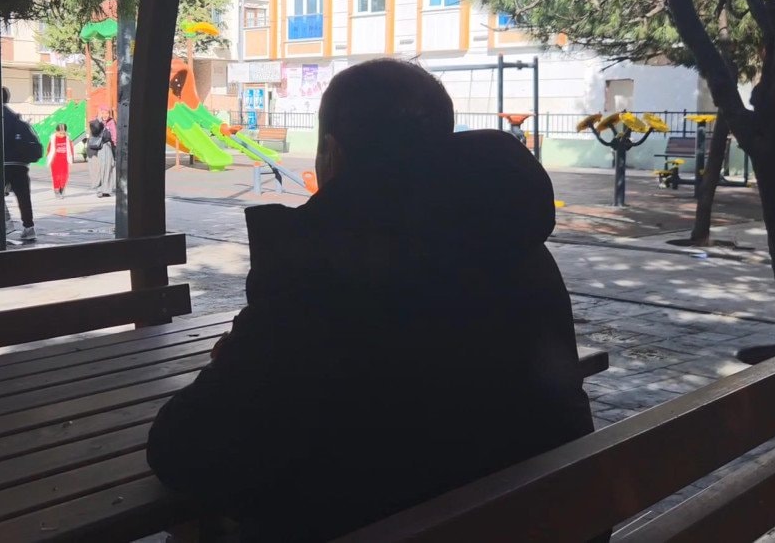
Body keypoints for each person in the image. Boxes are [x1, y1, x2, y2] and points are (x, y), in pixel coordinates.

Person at [146, 59, 594, 542]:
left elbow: (185, 452)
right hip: (556, 519)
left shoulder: (325, 267)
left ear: (332, 153)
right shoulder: (514, 242)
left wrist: (238, 357)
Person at [0, 87, 42, 241]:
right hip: (20, 163)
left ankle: (6, 222)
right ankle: (29, 227)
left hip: (2, 163)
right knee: (23, 196)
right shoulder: (15, 117)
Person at [46, 123, 75, 197]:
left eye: (63, 133)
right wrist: (48, 157)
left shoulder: (67, 138)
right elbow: (49, 149)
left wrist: (71, 157)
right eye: (60, 133)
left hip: (64, 160)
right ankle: (56, 190)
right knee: (56, 176)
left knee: (65, 176)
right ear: (56, 131)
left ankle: (62, 188)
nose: (62, 135)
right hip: (55, 160)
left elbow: (71, 148)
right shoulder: (53, 139)